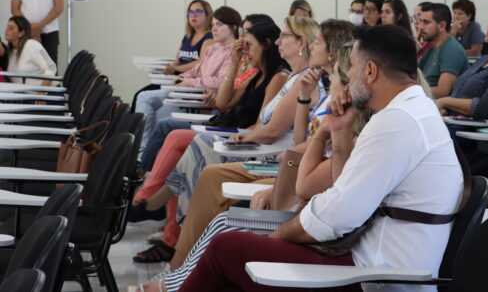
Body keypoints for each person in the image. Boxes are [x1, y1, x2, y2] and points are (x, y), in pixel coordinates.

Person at [173, 25, 464, 292]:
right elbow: (347, 192)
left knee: (228, 247)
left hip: (375, 274)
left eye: (352, 67)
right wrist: (338, 133)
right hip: (377, 261)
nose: (348, 78)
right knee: (238, 251)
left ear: (371, 71)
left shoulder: (396, 122)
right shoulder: (415, 111)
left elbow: (339, 214)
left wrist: (280, 235)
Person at [134, 39, 363, 292]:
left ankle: (169, 254)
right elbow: (231, 106)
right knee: (202, 163)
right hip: (287, 170)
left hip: (290, 182)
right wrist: (303, 99)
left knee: (218, 205)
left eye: (286, 36)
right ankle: (171, 254)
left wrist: (317, 137)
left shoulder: (338, 117)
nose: (279, 41)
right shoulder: (285, 81)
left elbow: (301, 171)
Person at [131, 19, 289, 263]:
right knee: (179, 141)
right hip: (228, 128)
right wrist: (236, 64)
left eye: (249, 44)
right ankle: (167, 226)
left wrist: (243, 134)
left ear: (266, 45)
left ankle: (153, 202)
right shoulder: (255, 73)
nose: (244, 49)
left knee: (185, 142)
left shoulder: (278, 78)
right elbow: (223, 103)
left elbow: (262, 127)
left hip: (242, 138)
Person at [136, 6, 241, 156]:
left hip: (200, 98)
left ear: (233, 27)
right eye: (213, 26)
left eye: (219, 25)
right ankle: (142, 154)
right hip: (191, 92)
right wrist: (181, 78)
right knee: (148, 101)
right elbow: (197, 70)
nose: (214, 29)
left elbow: (219, 81)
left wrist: (190, 82)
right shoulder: (213, 48)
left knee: (149, 102)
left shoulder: (234, 52)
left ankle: (142, 155)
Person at [130, 0, 214, 112]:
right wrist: (167, 68)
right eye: (190, 12)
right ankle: (136, 128)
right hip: (174, 79)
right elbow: (177, 60)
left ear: (208, 15)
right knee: (139, 94)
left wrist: (176, 69)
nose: (193, 15)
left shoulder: (209, 38)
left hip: (189, 83)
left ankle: (143, 129)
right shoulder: (187, 37)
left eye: (198, 11)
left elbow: (201, 63)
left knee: (145, 98)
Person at [418, 2, 468, 98]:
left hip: (437, 108)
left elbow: (442, 91)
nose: (420, 27)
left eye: (426, 22)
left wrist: (413, 94)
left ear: (441, 26)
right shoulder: (431, 47)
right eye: (420, 21)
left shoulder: (452, 50)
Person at [4, 16, 57, 85]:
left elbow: (50, 69)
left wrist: (41, 92)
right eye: (7, 27)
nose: (6, 30)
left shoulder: (31, 45)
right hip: (24, 94)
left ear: (21, 33)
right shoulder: (10, 51)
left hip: (45, 93)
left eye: (11, 28)